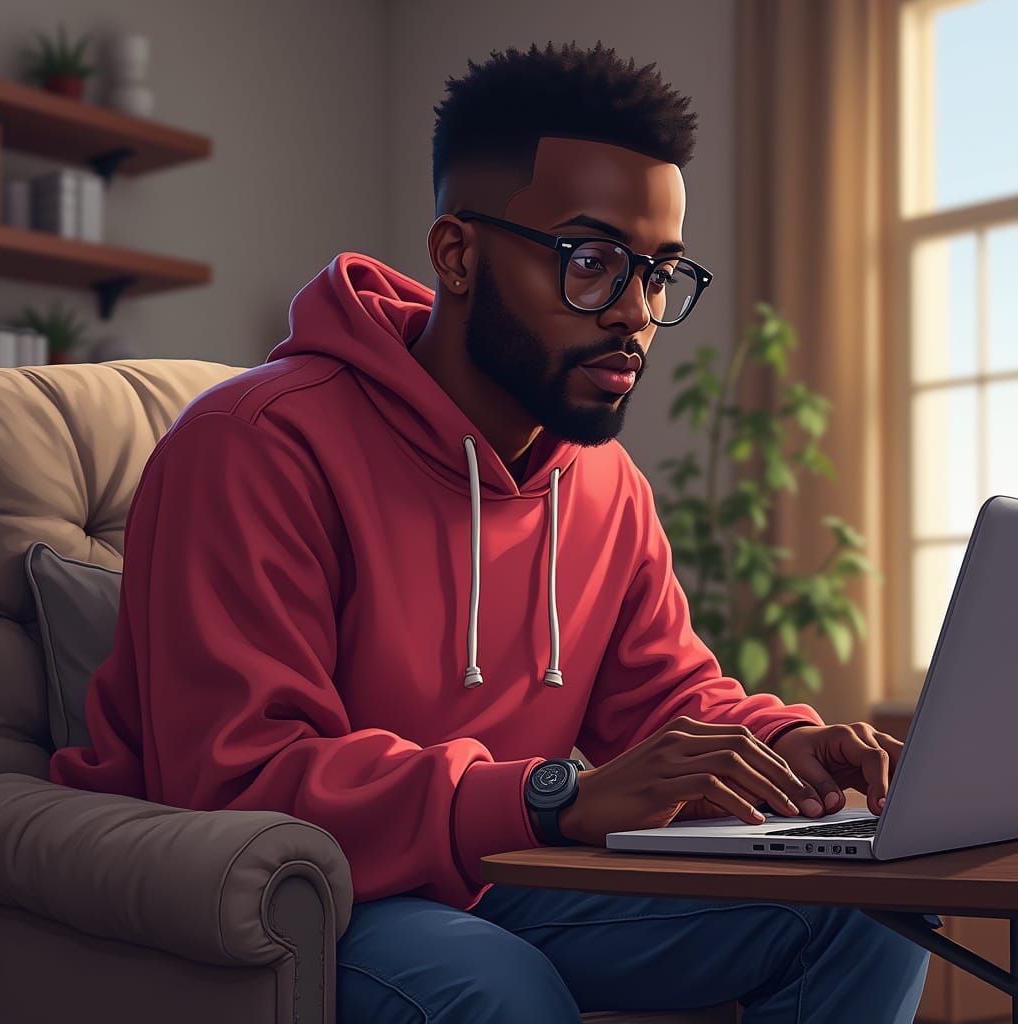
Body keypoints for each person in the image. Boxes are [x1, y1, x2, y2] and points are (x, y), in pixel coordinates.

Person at [49, 38, 930, 1024]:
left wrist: (787, 744)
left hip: (504, 866)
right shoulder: (256, 444)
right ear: (458, 253)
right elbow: (237, 774)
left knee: (867, 910)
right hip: (310, 889)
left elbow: (666, 693)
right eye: (592, 263)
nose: (635, 314)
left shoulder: (603, 483)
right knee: (494, 988)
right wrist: (548, 797)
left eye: (660, 272)